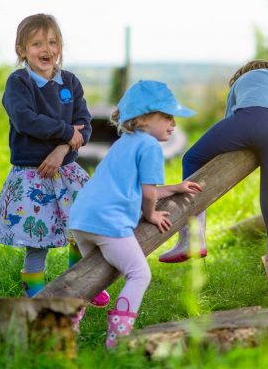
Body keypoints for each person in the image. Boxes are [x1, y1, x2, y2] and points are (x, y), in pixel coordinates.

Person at [159, 60, 268, 299]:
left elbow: (230, 124)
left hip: (250, 118)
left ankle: (192, 238)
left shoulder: (243, 81)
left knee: (192, 158)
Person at [0, 14, 109, 317]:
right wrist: (66, 132)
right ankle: (38, 297)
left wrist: (62, 147)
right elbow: (25, 119)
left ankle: (78, 284)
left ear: (61, 47)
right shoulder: (19, 82)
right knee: (37, 238)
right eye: (37, 43)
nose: (47, 49)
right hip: (33, 174)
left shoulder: (70, 82)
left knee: (81, 227)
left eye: (53, 42)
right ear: (21, 50)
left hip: (67, 171)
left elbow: (84, 125)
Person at [69, 80, 203, 348]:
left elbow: (132, 186)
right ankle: (117, 339)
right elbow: (147, 194)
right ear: (142, 118)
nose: (173, 124)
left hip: (81, 220)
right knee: (139, 273)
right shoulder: (151, 147)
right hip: (109, 222)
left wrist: (175, 188)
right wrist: (151, 214)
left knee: (91, 276)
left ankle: (69, 325)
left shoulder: (124, 142)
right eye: (166, 116)